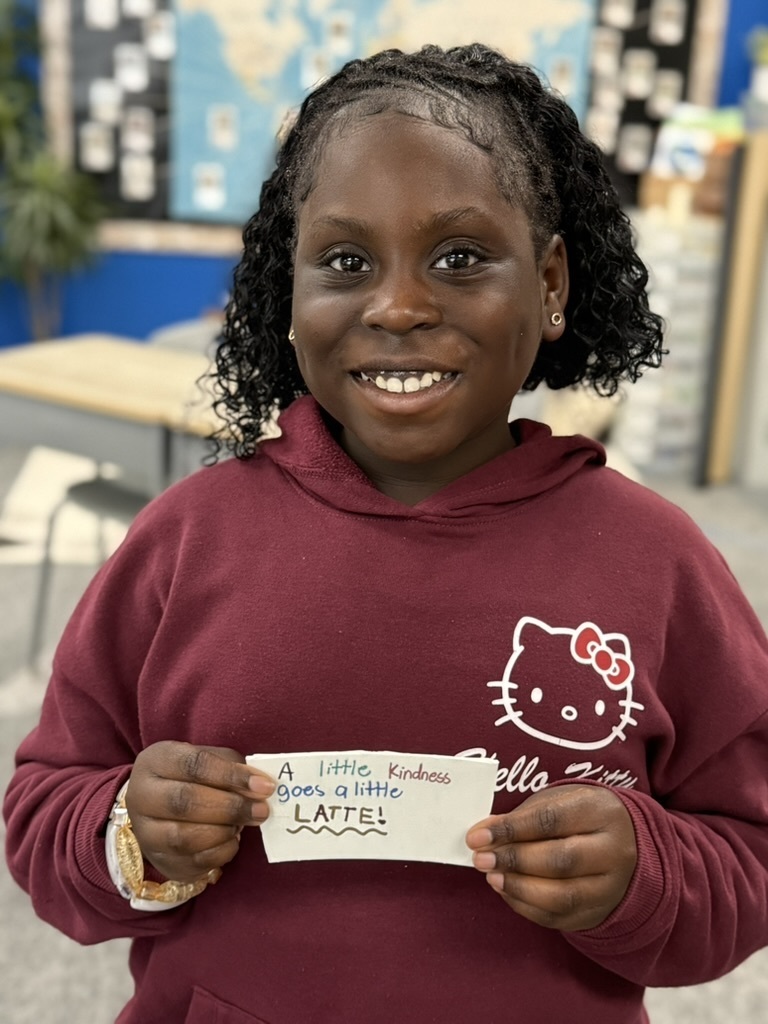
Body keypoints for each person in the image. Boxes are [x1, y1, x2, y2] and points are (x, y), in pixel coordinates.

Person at [5, 43, 768, 1024]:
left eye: (459, 257)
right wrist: (125, 830)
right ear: (290, 290)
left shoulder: (658, 562)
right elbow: (43, 805)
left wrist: (646, 869)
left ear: (548, 282)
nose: (400, 305)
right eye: (345, 261)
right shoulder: (185, 540)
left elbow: (749, 846)